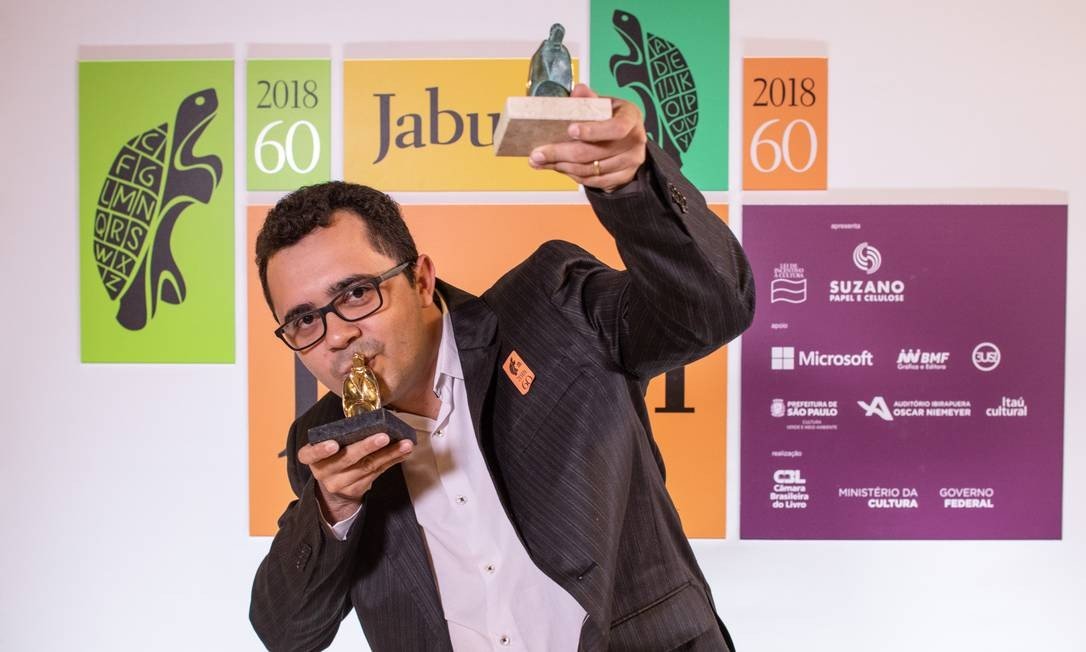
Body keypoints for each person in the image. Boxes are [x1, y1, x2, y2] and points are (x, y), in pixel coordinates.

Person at [249, 84, 754, 651]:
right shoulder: (324, 447)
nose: (338, 334)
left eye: (357, 293)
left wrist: (629, 186)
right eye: (304, 321)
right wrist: (333, 506)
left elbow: (709, 311)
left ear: (420, 280)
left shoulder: (550, 308)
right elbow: (288, 634)